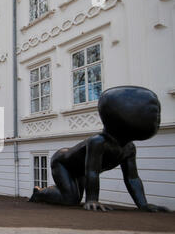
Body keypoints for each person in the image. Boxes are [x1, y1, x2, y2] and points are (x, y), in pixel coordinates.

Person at [29, 86, 169, 212]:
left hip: (81, 169)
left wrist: (143, 204)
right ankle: (39, 193)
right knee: (70, 199)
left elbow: (132, 178)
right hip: (62, 163)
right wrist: (92, 200)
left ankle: (46, 193)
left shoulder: (129, 148)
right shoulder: (98, 142)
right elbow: (92, 172)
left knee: (74, 197)